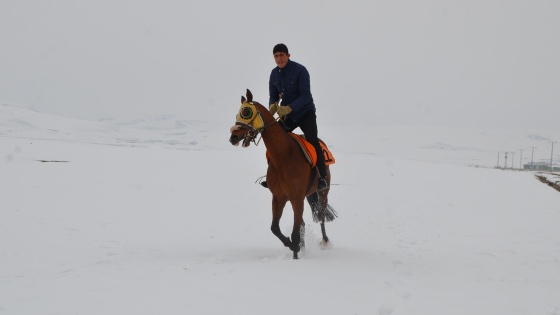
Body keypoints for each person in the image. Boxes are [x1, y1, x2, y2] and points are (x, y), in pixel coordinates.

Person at [264, 43, 329, 191]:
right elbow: (273, 96)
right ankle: (272, 176)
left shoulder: (300, 70)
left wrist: (289, 107)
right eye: (276, 56)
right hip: (288, 116)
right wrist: (272, 106)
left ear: (288, 55)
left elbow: (306, 96)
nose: (279, 58)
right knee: (273, 140)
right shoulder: (274, 74)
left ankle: (322, 178)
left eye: (281, 55)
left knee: (312, 140)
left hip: (305, 112)